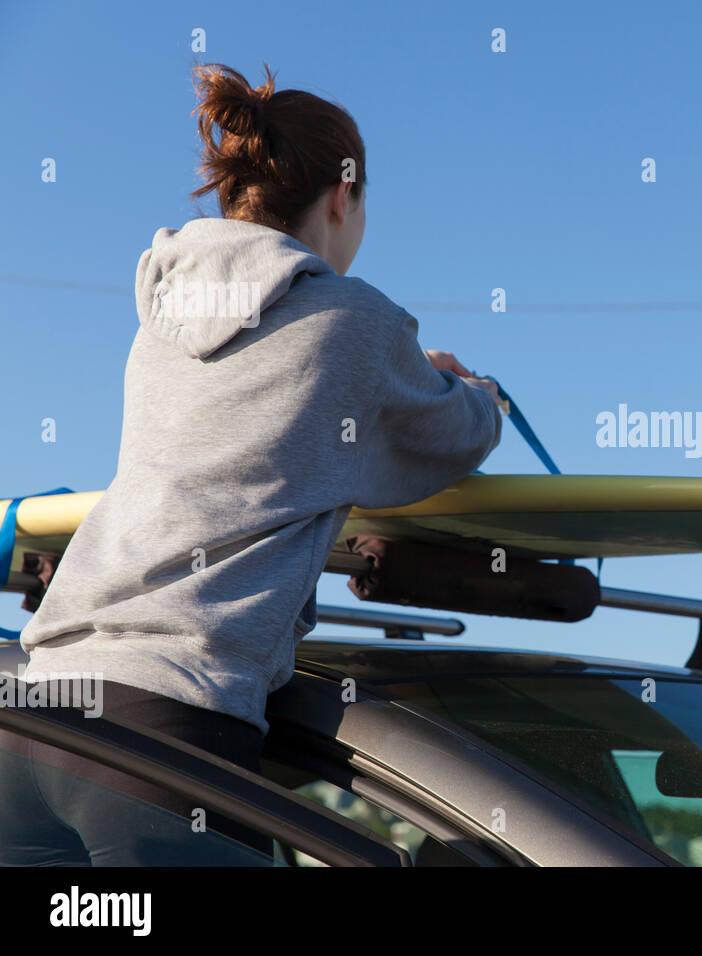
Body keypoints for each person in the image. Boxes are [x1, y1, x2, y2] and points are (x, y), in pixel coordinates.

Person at [0, 63, 503, 865]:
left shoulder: (160, 320)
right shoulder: (354, 321)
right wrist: (475, 389)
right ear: (343, 196)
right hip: (165, 734)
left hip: (34, 714)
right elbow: (456, 434)